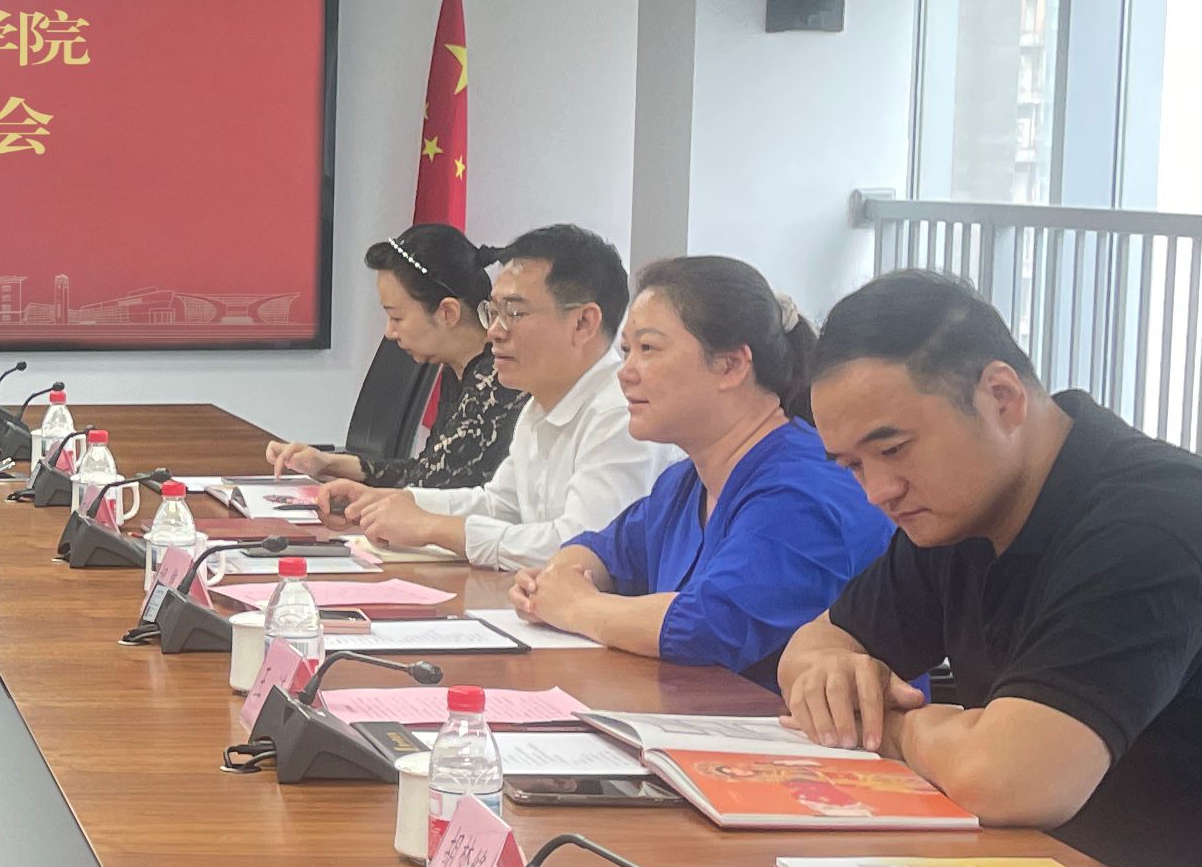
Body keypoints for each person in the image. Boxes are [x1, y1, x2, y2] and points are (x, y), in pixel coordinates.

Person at [776, 271, 1202, 867]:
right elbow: (814, 645)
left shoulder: (1151, 526)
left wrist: (891, 727)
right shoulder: (960, 510)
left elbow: (1011, 780)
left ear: (1002, 397)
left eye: (894, 450)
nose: (878, 491)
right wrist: (833, 677)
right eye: (853, 466)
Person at [517, 255, 890, 680]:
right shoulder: (685, 482)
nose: (625, 373)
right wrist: (557, 578)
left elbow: (709, 627)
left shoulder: (805, 488)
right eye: (626, 351)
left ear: (731, 365)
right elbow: (605, 550)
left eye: (648, 349)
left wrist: (575, 605)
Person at [330, 222, 675, 570]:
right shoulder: (538, 405)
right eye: (493, 312)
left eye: (514, 313)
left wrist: (434, 527)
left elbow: (582, 549)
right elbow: (500, 506)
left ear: (583, 323)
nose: (494, 331)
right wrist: (396, 501)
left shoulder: (622, 414)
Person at [262, 224, 515, 494]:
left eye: (396, 317)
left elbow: (432, 487)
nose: (389, 332)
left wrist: (357, 493)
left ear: (447, 313)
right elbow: (426, 469)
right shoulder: (461, 369)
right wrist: (326, 463)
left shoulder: (498, 381)